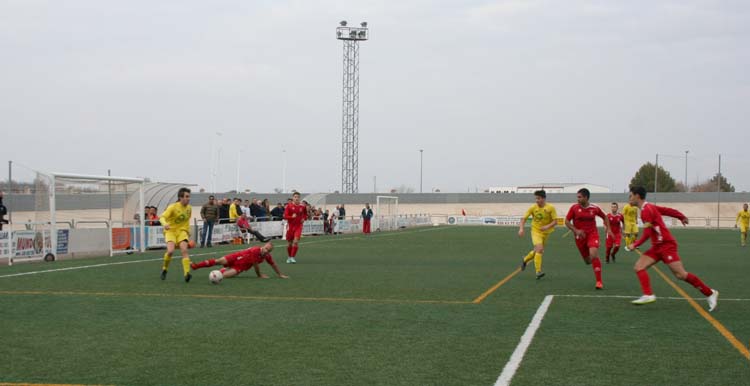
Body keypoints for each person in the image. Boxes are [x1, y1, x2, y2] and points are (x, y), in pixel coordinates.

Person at [626, 186, 719, 311]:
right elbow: (666, 210)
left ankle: (710, 293)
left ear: (637, 196)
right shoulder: (648, 207)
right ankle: (648, 294)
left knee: (680, 275)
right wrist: (681, 216)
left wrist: (635, 244)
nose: (629, 198)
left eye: (630, 195)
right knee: (639, 267)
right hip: (657, 247)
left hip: (666, 245)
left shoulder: (646, 210)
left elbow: (647, 233)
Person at [564, 188, 613, 290]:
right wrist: (576, 230)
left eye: (579, 197)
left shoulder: (594, 208)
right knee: (587, 261)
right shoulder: (574, 208)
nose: (577, 199)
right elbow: (567, 221)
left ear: (586, 197)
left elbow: (605, 217)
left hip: (592, 234)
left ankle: (599, 281)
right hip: (579, 237)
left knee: (594, 254)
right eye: (577, 197)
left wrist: (608, 229)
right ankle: (595, 263)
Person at [191, 243, 288, 280]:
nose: (265, 250)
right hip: (236, 257)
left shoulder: (267, 256)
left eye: (268, 250)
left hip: (240, 267)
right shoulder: (256, 250)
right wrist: (259, 275)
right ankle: (196, 266)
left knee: (224, 276)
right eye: (265, 248)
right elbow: (255, 265)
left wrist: (280, 274)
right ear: (263, 246)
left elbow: (273, 264)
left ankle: (222, 271)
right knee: (218, 261)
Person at [518, 190, 557, 279]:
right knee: (540, 249)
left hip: (546, 233)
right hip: (536, 231)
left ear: (543, 198)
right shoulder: (532, 208)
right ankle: (538, 271)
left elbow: (555, 221)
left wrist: (547, 227)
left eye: (538, 198)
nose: (536, 200)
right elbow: (523, 219)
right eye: (536, 198)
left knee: (538, 251)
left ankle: (525, 259)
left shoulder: (551, 208)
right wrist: (521, 228)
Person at [159, 187, 194, 282]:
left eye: (189, 196)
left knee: (184, 250)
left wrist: (188, 231)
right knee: (170, 251)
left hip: (182, 231)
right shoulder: (173, 207)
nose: (188, 198)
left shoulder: (189, 208)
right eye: (186, 196)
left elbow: (187, 221)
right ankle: (164, 269)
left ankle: (187, 273)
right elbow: (162, 217)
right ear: (180, 197)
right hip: (170, 231)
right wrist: (165, 224)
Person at [283, 192, 307, 264]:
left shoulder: (302, 207)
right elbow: (285, 216)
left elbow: (305, 214)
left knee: (295, 241)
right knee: (289, 243)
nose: (296, 198)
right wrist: (291, 217)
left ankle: (292, 257)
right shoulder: (289, 206)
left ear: (299, 198)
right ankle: (289, 257)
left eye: (298, 197)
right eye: (295, 197)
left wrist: (304, 218)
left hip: (298, 226)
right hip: (290, 227)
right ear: (293, 198)